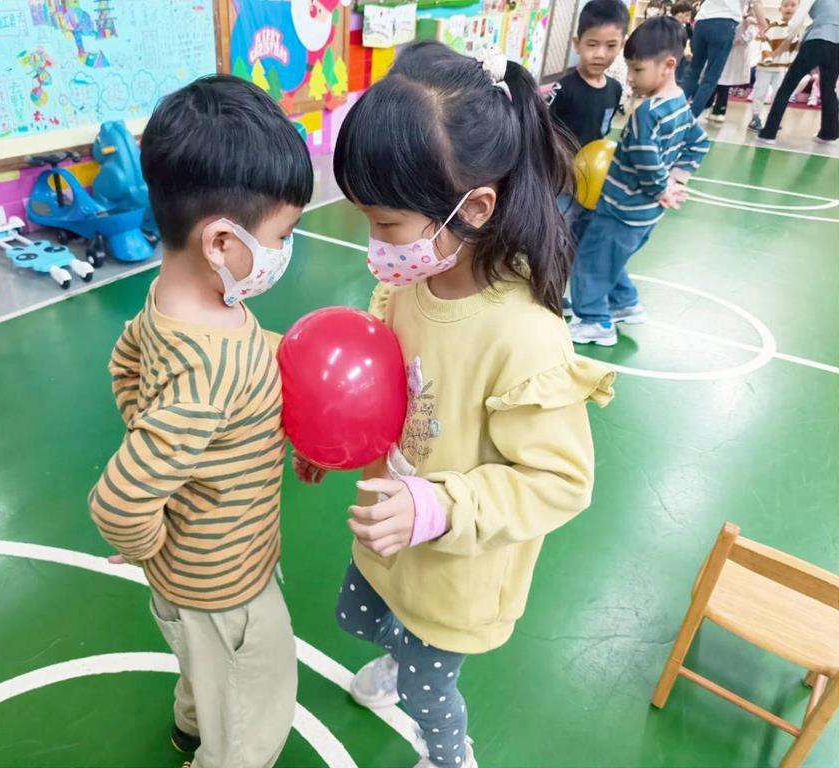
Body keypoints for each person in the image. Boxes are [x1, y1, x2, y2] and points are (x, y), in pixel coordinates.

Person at [298, 41, 616, 768]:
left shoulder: (525, 336)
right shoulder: (409, 283)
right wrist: (330, 437)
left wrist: (441, 507)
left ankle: (451, 756)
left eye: (386, 224)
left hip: (456, 567)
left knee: (430, 687)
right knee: (359, 614)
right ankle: (398, 659)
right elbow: (381, 382)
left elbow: (561, 482)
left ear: (472, 208)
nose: (375, 243)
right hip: (389, 534)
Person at [88, 75, 313, 768]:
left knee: (206, 673)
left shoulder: (174, 301)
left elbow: (126, 362)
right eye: (282, 235)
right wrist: (151, 541)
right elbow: (118, 502)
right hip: (224, 585)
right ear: (220, 240)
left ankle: (191, 725)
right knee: (252, 704)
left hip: (191, 580)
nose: (285, 250)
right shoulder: (210, 371)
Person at [569, 17, 710, 346]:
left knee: (591, 260)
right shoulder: (681, 105)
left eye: (637, 69)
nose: (630, 79)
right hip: (643, 214)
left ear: (668, 65)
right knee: (609, 257)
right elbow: (699, 143)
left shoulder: (647, 114)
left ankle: (593, 321)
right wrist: (677, 178)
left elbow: (647, 158)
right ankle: (625, 303)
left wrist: (663, 187)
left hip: (621, 209)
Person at [548, 0, 630, 238]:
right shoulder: (563, 89)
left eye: (611, 45)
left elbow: (602, 134)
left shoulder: (614, 89)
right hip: (561, 182)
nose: (600, 54)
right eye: (592, 44)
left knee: (581, 232)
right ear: (578, 44)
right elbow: (542, 130)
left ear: (622, 45)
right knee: (557, 231)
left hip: (592, 182)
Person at [758, 0, 839, 145]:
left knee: (787, 86)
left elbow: (798, 18)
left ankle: (769, 133)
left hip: (816, 39)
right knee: (829, 88)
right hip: (837, 44)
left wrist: (788, 38)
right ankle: (828, 133)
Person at [684, 0, 767, 118]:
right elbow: (757, 2)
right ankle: (689, 119)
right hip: (725, 23)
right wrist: (763, 24)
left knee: (693, 71)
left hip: (702, 20)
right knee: (711, 76)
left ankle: (674, 112)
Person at [748, 0, 802, 132]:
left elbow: (794, 49)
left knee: (779, 94)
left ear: (798, 9)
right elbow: (763, 43)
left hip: (781, 68)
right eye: (786, 5)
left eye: (793, 5)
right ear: (780, 9)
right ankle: (755, 118)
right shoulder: (773, 27)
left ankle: (774, 119)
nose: (789, 8)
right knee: (760, 92)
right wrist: (768, 56)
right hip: (765, 68)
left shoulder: (796, 29)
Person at [707, 8, 760, 122]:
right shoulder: (732, 20)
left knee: (724, 85)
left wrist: (745, 25)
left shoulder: (752, 27)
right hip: (721, 55)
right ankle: (710, 107)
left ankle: (720, 111)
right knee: (715, 83)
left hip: (733, 59)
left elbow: (741, 39)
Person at [672, 2, 696, 83]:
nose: (689, 17)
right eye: (687, 15)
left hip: (681, 55)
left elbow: (690, 36)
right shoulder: (671, 24)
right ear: (679, 14)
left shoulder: (685, 26)